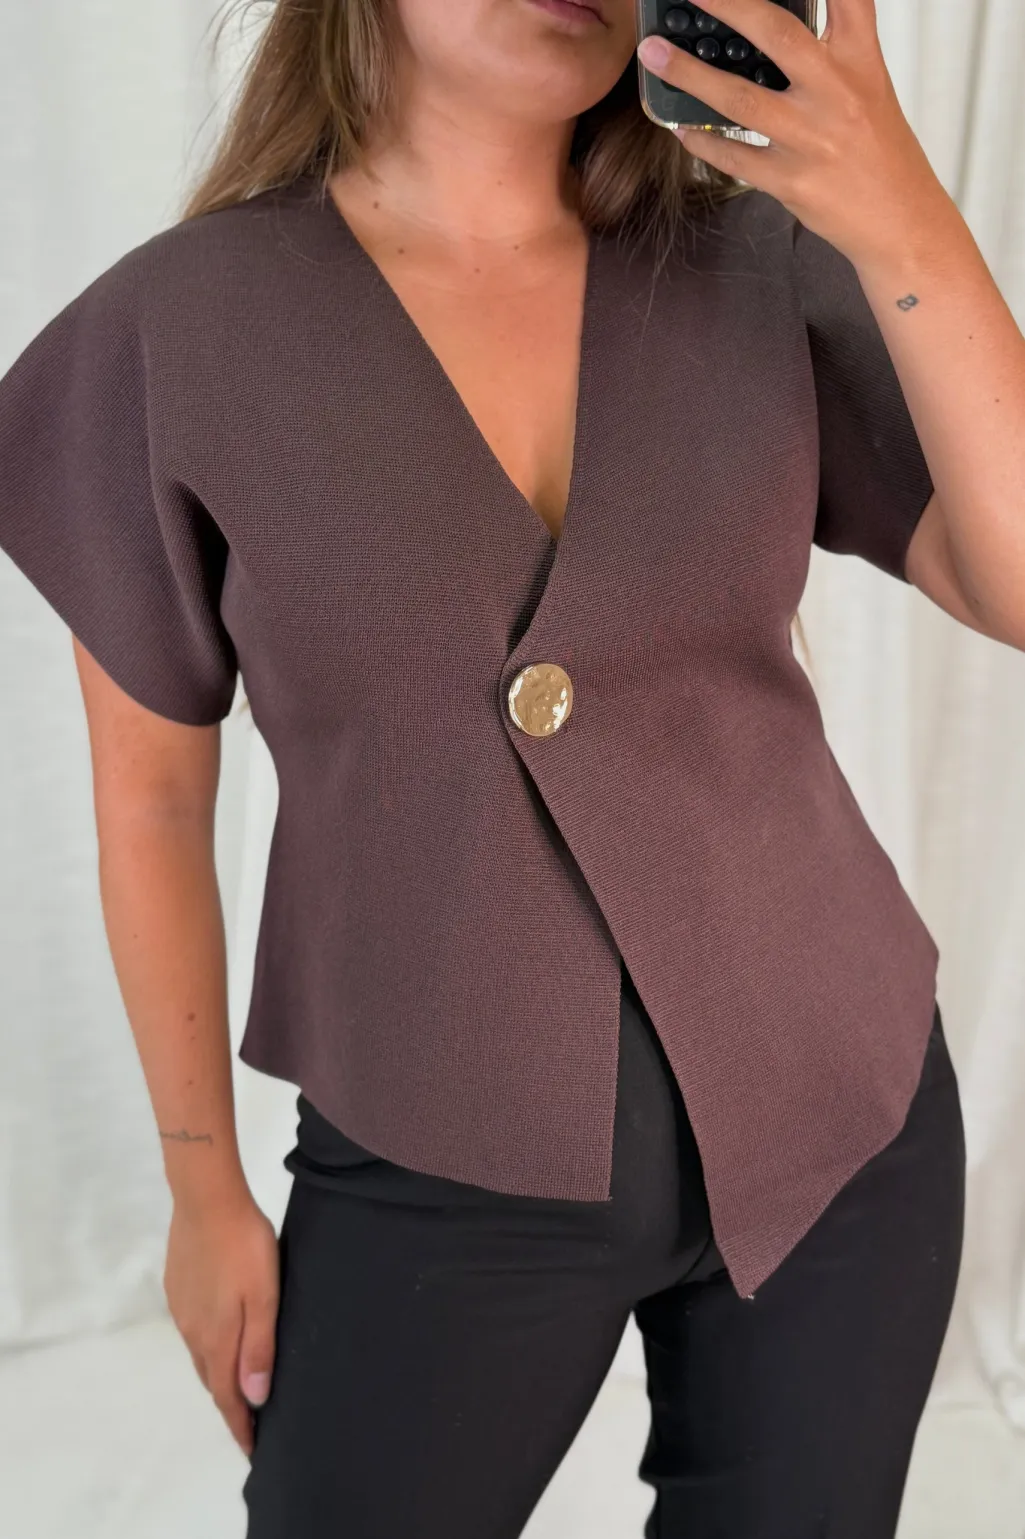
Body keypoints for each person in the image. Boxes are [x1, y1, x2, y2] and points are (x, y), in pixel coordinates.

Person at [5, 0, 1025, 1533]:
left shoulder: (754, 266)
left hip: (846, 1129)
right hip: (436, 1157)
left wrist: (905, 220)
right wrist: (202, 1187)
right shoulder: (175, 331)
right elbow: (153, 799)